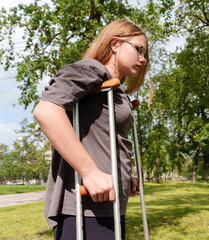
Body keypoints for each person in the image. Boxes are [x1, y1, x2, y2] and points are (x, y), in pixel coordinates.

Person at [33, 19, 149, 240]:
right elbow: (46, 110)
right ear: (115, 44)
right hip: (86, 208)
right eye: (138, 49)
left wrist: (124, 176)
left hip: (108, 203)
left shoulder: (115, 88)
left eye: (145, 54)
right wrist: (90, 172)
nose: (143, 58)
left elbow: (105, 136)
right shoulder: (92, 69)